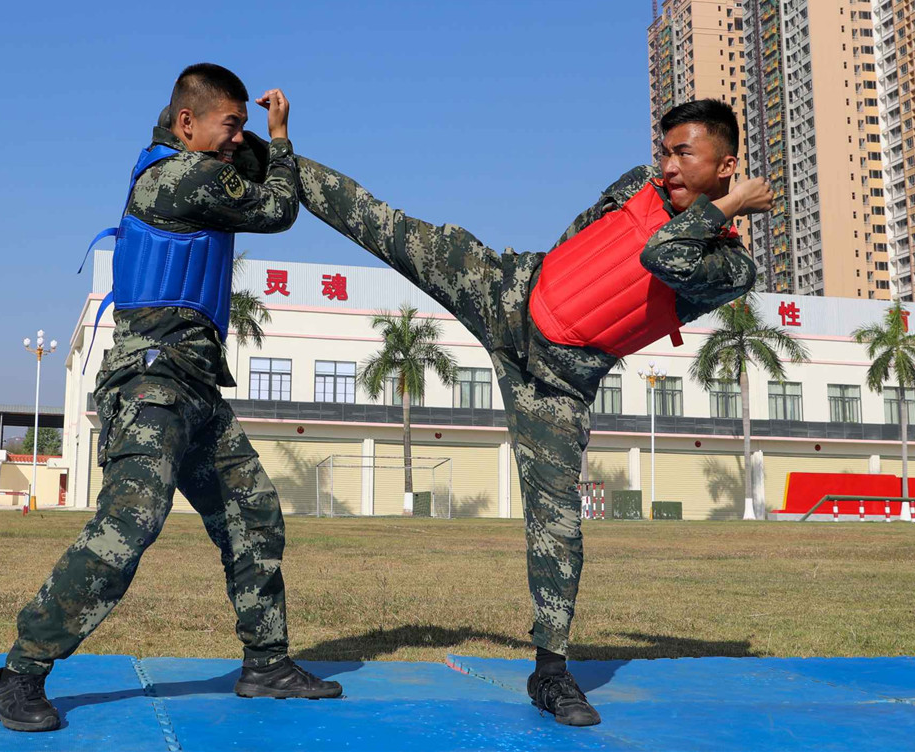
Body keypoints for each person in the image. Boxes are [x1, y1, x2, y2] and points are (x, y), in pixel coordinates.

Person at [288, 99, 769, 727]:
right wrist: (548, 289)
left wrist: (728, 208)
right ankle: (271, 158)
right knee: (386, 226)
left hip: (556, 383)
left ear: (726, 165)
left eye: (685, 153)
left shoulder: (731, 267)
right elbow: (583, 236)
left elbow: (664, 256)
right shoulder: (637, 184)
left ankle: (550, 673)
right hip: (507, 291)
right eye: (664, 151)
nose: (668, 165)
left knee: (557, 523)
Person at [0, 63, 342, 734]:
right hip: (151, 384)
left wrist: (245, 135)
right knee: (131, 521)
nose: (238, 139)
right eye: (229, 125)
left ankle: (266, 663)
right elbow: (278, 208)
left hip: (196, 387)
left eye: (242, 128)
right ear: (186, 123)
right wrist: (280, 137)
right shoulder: (182, 176)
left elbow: (244, 171)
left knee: (254, 515)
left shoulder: (189, 163)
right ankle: (20, 674)